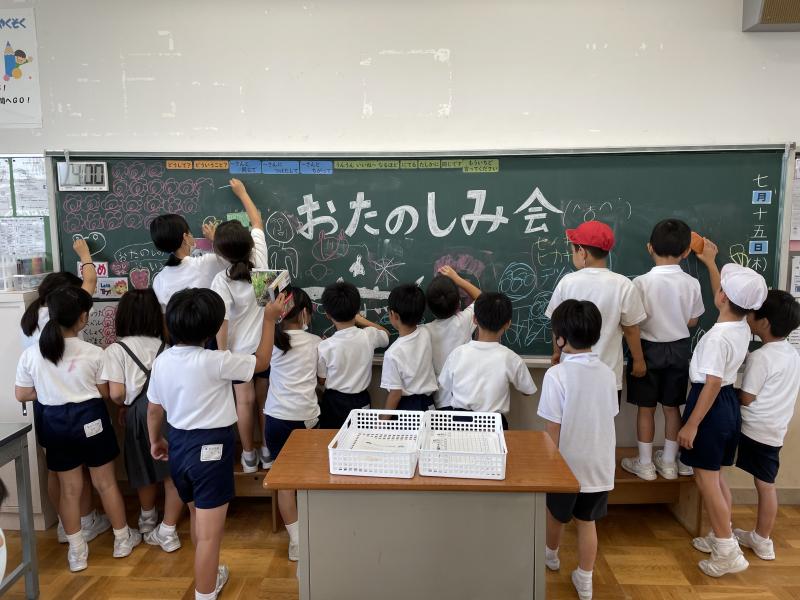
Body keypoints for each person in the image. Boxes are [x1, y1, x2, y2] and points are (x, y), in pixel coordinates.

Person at [147, 288, 285, 600]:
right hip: (211, 449)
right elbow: (262, 361)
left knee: (199, 519)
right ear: (211, 329)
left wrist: (156, 440)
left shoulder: (163, 361)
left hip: (178, 444)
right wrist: (268, 320)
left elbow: (154, 410)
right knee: (210, 535)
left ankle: (209, 578)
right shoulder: (218, 361)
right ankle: (205, 593)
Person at [15, 286, 141, 572]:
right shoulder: (95, 353)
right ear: (82, 318)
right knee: (105, 483)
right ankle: (122, 540)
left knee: (69, 490)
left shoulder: (32, 354)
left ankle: (77, 552)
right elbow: (105, 393)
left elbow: (21, 394)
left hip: (54, 423)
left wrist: (51, 391)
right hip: (91, 419)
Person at [678, 248, 768, 577]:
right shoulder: (742, 326)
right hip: (727, 403)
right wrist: (710, 263)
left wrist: (691, 425)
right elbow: (728, 296)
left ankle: (727, 550)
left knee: (706, 480)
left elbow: (712, 383)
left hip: (710, 404)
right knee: (716, 476)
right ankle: (721, 532)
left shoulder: (717, 338)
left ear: (722, 297)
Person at [19, 239, 110, 544]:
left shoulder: (32, 316)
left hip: (46, 404)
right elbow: (91, 280)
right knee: (79, 470)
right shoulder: (63, 313)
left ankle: (65, 525)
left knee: (58, 469)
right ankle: (85, 521)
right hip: (75, 400)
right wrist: (84, 254)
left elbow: (24, 388)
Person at [538, 299, 618, 600]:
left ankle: (551, 555)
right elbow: (610, 414)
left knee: (555, 515)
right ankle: (585, 580)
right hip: (598, 464)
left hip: (565, 465)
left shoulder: (557, 375)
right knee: (587, 522)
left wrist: (550, 467)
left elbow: (553, 427)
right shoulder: (608, 373)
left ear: (560, 339)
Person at [622, 220, 704, 480]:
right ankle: (669, 462)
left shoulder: (640, 283)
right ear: (686, 251)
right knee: (672, 407)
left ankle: (645, 463)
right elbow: (693, 321)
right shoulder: (692, 283)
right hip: (679, 350)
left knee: (645, 409)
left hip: (646, 350)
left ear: (650, 248)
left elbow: (632, 322)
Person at [102, 289, 182, 552]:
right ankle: (169, 530)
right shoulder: (166, 346)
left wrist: (124, 405)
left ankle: (147, 519)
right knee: (170, 470)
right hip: (168, 411)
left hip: (137, 414)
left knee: (141, 467)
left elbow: (116, 393)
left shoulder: (116, 350)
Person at [732, 290, 800, 561]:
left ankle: (751, 537)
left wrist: (728, 393)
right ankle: (763, 539)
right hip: (775, 428)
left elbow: (747, 398)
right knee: (766, 483)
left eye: (751, 313)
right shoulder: (792, 353)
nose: (747, 316)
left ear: (764, 323)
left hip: (753, 428)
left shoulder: (761, 357)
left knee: (717, 472)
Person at [545, 220, 647, 398]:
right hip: (607, 374)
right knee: (606, 416)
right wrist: (639, 360)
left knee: (569, 415)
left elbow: (556, 325)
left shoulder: (567, 282)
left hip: (570, 372)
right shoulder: (623, 284)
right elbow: (631, 329)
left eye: (573, 250)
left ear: (582, 252)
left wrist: (556, 352)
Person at [211, 196, 271, 473]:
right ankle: (267, 451)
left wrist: (222, 354)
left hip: (238, 352)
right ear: (249, 243)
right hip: (266, 348)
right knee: (264, 401)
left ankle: (248, 456)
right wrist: (242, 191)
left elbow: (221, 321)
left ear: (220, 253)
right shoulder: (261, 261)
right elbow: (257, 220)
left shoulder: (221, 280)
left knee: (244, 402)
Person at [263, 287, 321, 561]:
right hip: (306, 418)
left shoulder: (270, 341)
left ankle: (297, 541)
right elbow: (322, 379)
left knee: (285, 483)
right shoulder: (316, 342)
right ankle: (312, 531)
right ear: (306, 313)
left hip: (276, 418)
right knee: (309, 478)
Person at [150, 178, 267, 311]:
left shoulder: (159, 280)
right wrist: (215, 238)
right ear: (185, 237)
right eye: (189, 232)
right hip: (265, 323)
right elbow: (237, 248)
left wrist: (216, 240)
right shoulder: (209, 265)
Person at [438, 292, 536, 428]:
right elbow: (527, 391)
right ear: (508, 324)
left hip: (460, 424)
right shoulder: (511, 358)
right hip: (494, 425)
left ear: (474, 319)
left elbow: (445, 384)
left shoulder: (457, 354)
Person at [318, 281, 389, 429]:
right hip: (360, 399)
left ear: (328, 314)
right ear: (357, 309)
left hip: (334, 401)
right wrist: (362, 320)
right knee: (361, 438)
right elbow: (386, 334)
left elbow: (322, 380)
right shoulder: (368, 335)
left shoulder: (324, 346)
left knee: (332, 438)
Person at [421, 266, 481, 410]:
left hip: (441, 400)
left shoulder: (424, 332)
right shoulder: (463, 321)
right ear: (458, 303)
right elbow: (482, 299)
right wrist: (457, 279)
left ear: (429, 307)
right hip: (467, 396)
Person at [380, 283, 438, 411]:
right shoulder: (426, 332)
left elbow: (395, 394)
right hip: (429, 404)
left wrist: (382, 420)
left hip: (407, 408)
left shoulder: (392, 353)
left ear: (394, 315)